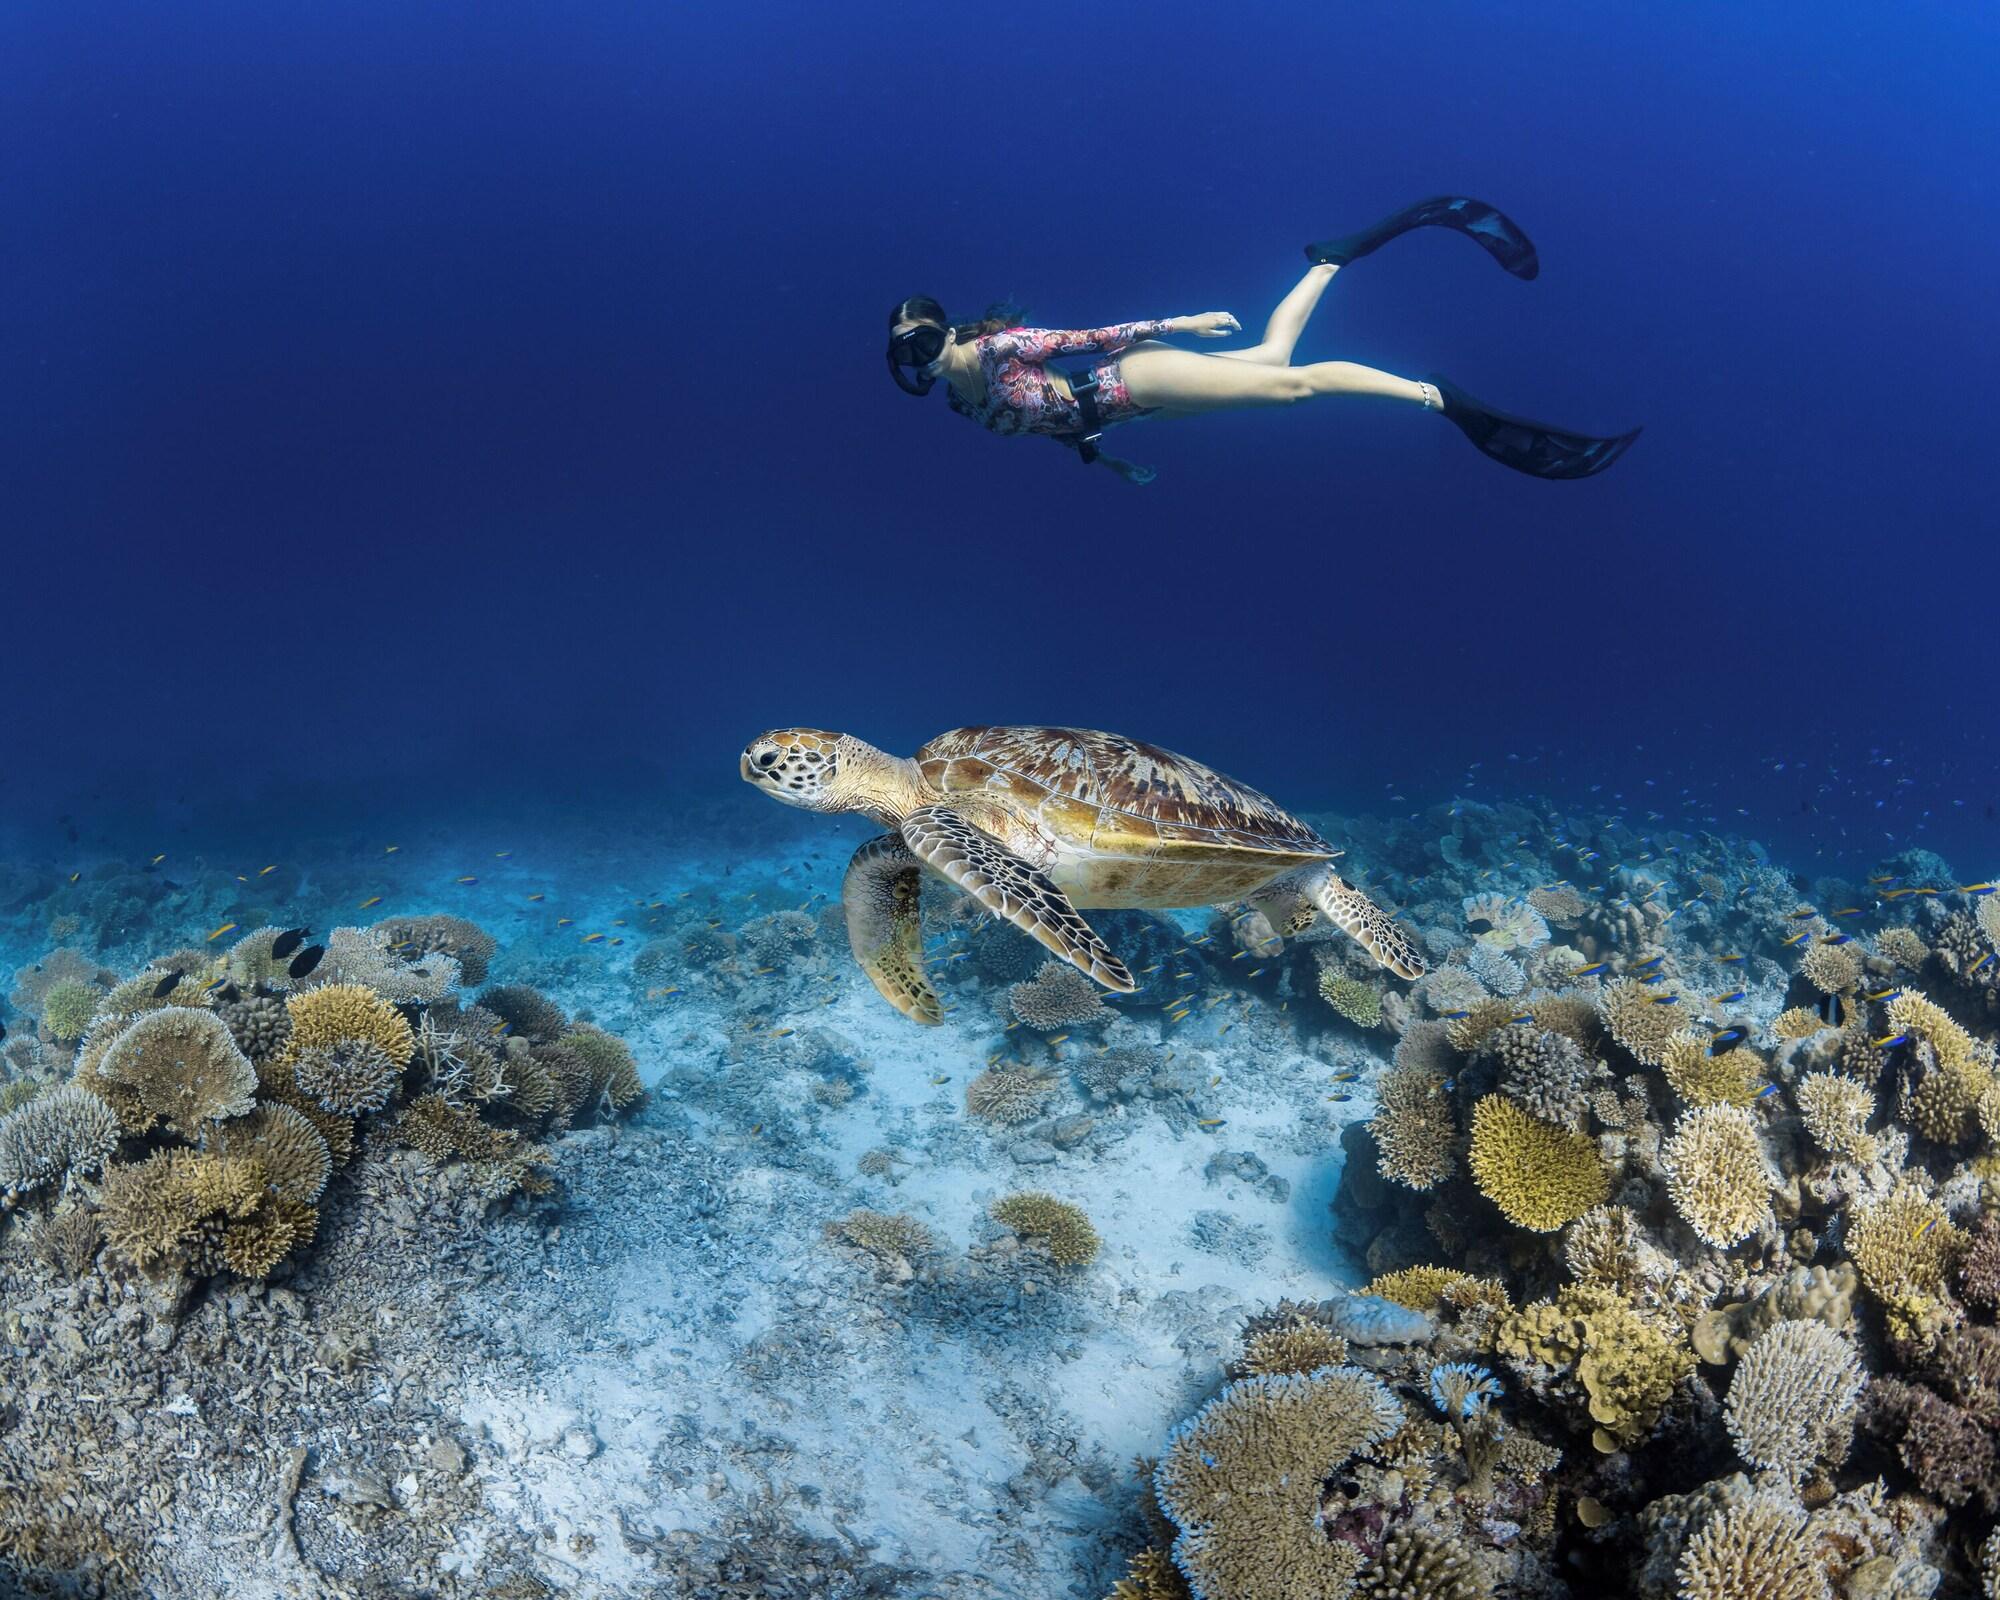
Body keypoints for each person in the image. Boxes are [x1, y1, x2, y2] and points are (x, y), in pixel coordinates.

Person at [885, 196, 1639, 485]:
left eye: (921, 343)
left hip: (1132, 380)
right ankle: (1332, 259)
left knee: (1291, 386)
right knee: (1275, 359)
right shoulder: (965, 407)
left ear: (946, 331)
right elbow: (1045, 424)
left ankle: (1437, 399)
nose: (919, 360)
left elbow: (1092, 336)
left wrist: (1183, 322)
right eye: (905, 356)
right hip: (1125, 412)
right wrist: (1105, 459)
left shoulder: (992, 351)